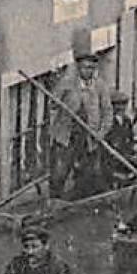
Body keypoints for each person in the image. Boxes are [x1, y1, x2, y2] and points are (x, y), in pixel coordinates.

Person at [49, 43, 112, 199]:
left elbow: (107, 112)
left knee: (88, 173)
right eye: (84, 67)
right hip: (67, 136)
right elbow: (53, 104)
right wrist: (59, 88)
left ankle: (79, 203)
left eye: (91, 68)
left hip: (89, 136)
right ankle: (54, 203)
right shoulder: (67, 84)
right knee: (59, 173)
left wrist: (101, 133)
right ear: (78, 68)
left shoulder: (100, 86)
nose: (88, 71)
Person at [104, 90, 137, 179]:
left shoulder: (127, 121)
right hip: (112, 160)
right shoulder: (108, 122)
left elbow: (130, 139)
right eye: (117, 104)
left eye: (123, 104)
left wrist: (132, 152)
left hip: (126, 158)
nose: (121, 108)